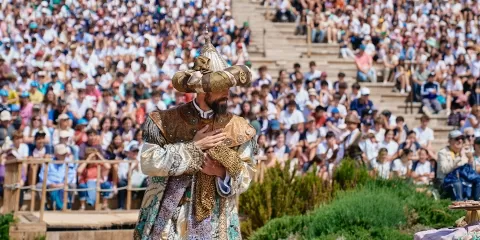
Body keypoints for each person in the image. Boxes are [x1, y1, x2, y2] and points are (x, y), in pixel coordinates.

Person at [134, 36, 256, 239]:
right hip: (170, 221)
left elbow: (247, 175)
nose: (227, 92)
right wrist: (194, 147)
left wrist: (220, 171)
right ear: (202, 91)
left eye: (228, 86)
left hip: (217, 220)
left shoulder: (239, 127)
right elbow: (148, 162)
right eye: (220, 87)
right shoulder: (165, 121)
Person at [436, 130, 471, 200]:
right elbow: (445, 170)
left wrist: (471, 158)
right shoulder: (442, 153)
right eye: (457, 139)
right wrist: (458, 158)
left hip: (461, 179)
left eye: (462, 138)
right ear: (449, 141)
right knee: (458, 184)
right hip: (445, 180)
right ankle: (460, 207)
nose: (460, 141)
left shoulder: (464, 152)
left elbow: (469, 171)